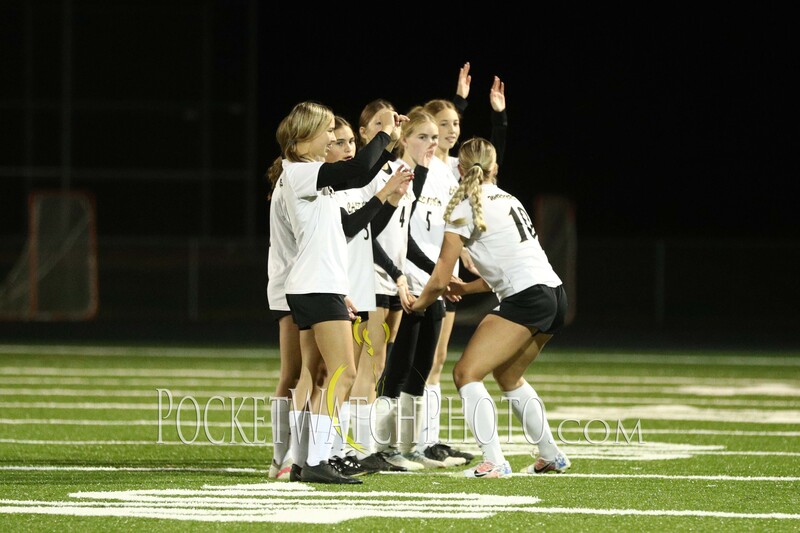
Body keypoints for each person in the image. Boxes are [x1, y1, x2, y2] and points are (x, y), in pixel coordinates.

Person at [266, 101, 411, 484]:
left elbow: (344, 228)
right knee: (343, 373)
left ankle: (306, 460)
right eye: (327, 131)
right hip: (313, 287)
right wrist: (386, 136)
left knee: (323, 377)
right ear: (302, 137)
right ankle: (315, 460)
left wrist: (341, 290)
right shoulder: (298, 173)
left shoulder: (312, 177)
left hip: (322, 286)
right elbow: (360, 170)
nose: (332, 138)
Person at [409, 137, 570, 478]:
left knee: (465, 373)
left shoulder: (464, 205)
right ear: (495, 168)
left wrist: (417, 304)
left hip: (527, 297)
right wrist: (467, 288)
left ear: (460, 170)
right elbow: (509, 265)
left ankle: (494, 460)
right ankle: (550, 454)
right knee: (509, 375)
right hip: (554, 294)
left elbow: (439, 276)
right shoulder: (509, 198)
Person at [415, 65, 508, 466]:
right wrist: (459, 99)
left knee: (436, 360)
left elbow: (487, 164)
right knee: (406, 364)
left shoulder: (453, 169)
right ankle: (405, 442)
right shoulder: (422, 168)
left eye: (455, 124)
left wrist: (498, 117)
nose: (451, 131)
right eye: (443, 125)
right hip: (420, 271)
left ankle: (428, 440)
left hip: (444, 271)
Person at [375, 107, 460, 469]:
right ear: (405, 138)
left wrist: (442, 276)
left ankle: (408, 448)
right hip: (399, 283)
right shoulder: (393, 174)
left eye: (433, 138)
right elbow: (386, 236)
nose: (430, 143)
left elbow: (411, 238)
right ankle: (382, 448)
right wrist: (409, 276)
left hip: (424, 283)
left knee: (422, 366)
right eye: (422, 137)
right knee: (396, 368)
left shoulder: (422, 175)